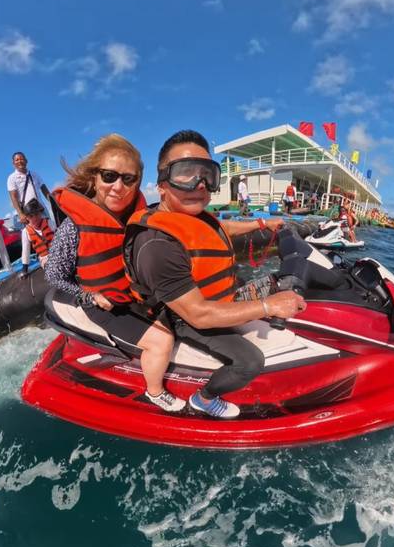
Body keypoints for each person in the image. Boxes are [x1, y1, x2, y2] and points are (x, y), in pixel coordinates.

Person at [125, 130, 306, 420]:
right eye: (186, 174)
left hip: (218, 294)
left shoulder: (194, 217)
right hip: (183, 316)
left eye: (207, 174)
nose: (200, 184)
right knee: (249, 361)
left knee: (285, 283)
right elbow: (198, 315)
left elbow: (221, 230)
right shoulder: (156, 245)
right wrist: (269, 306)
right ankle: (204, 399)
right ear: (161, 184)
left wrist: (263, 223)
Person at [45, 133, 186, 413]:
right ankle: (155, 392)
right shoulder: (74, 227)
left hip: (134, 294)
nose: (118, 186)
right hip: (104, 304)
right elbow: (53, 276)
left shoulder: (138, 218)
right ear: (95, 177)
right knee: (162, 341)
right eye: (109, 176)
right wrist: (90, 296)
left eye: (128, 179)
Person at [7, 151, 52, 271]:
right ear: (13, 163)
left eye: (22, 159)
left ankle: (55, 251)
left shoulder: (35, 174)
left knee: (49, 230)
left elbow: (44, 189)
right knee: (29, 236)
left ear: (26, 160)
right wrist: (20, 213)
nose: (20, 161)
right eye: (17, 160)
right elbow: (13, 196)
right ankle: (31, 262)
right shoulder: (12, 178)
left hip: (41, 208)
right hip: (28, 212)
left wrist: (54, 202)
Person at [22, 198, 55, 274]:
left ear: (40, 213)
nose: (34, 218)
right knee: (50, 267)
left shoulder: (49, 222)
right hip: (44, 258)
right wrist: (25, 268)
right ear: (27, 218)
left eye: (36, 214)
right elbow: (25, 250)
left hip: (57, 252)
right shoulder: (25, 232)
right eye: (31, 216)